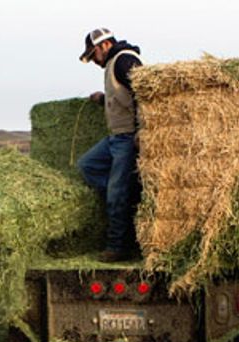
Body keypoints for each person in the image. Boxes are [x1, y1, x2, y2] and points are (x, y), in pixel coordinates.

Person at [77, 28, 143, 262]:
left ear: (104, 45)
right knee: (87, 165)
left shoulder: (124, 60)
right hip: (115, 137)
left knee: (115, 195)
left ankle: (117, 247)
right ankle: (129, 192)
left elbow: (143, 94)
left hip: (127, 137)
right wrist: (102, 100)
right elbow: (122, 99)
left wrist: (142, 130)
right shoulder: (113, 63)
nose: (94, 61)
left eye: (93, 54)